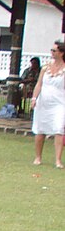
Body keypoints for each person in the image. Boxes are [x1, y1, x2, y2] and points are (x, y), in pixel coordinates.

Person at [31, 40, 65, 168]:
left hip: (59, 103)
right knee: (40, 129)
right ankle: (38, 157)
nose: (51, 52)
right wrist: (34, 98)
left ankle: (58, 160)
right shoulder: (45, 68)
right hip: (43, 102)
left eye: (54, 50)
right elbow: (39, 84)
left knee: (59, 129)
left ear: (61, 53)